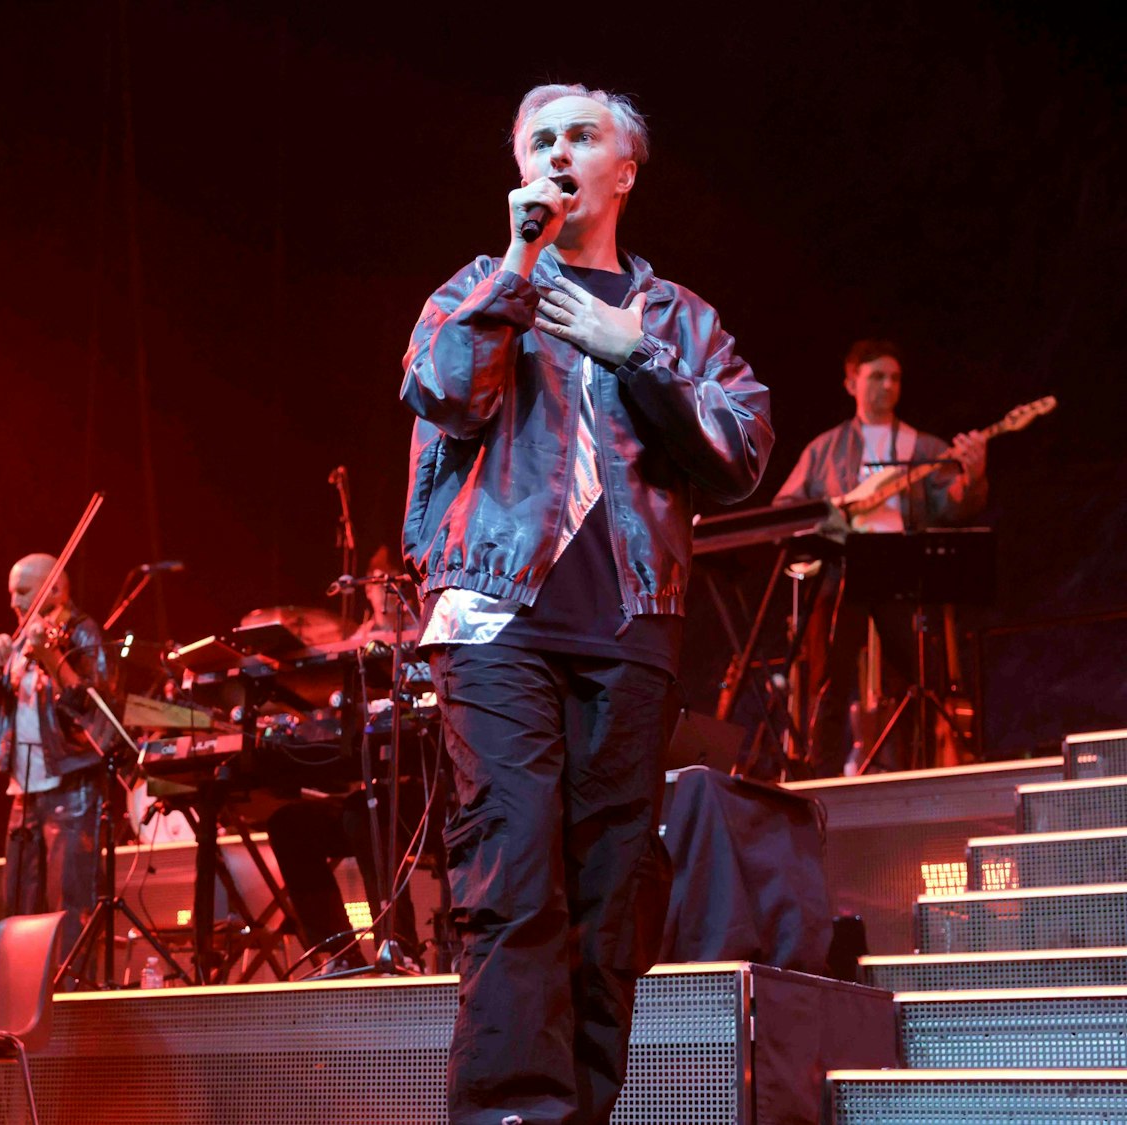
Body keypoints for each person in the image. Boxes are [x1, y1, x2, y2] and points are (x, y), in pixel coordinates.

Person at [400, 83, 772, 1124]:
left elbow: (740, 451)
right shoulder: (475, 287)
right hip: (494, 624)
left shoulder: (678, 320)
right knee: (510, 882)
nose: (559, 152)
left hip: (630, 629)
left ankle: (581, 1114)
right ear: (521, 172)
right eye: (539, 140)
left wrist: (631, 352)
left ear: (624, 170)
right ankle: (511, 1116)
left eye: (581, 136)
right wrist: (518, 268)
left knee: (609, 903)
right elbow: (444, 392)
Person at [774, 339, 988, 775]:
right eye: (876, 377)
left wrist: (974, 474)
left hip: (901, 570)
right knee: (829, 678)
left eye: (894, 378)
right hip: (842, 569)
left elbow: (952, 506)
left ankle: (914, 766)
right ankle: (823, 771)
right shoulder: (825, 449)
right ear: (851, 383)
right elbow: (786, 508)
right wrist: (833, 514)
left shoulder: (923, 447)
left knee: (912, 679)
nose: (887, 385)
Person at [264, 547, 428, 970]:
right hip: (372, 797)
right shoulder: (359, 643)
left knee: (363, 809)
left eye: (388, 581)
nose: (381, 593)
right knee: (290, 824)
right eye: (375, 583)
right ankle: (338, 953)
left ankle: (400, 949)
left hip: (428, 800)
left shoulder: (427, 629)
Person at [0, 553, 115, 918]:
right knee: (18, 904)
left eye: (24, 592)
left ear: (57, 590)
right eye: (12, 593)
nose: (14, 602)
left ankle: (73, 976)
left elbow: (91, 705)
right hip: (23, 791)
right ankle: (25, 977)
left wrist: (51, 655)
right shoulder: (17, 645)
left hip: (70, 783)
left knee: (69, 903)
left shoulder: (80, 632)